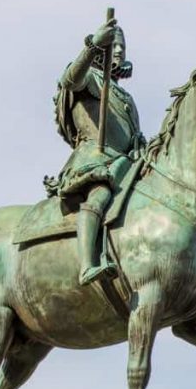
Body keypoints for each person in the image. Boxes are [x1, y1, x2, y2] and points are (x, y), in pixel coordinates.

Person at [51, 18, 145, 285]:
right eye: (114, 46)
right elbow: (70, 80)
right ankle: (86, 265)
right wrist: (93, 46)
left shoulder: (125, 97)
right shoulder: (89, 78)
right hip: (95, 159)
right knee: (100, 194)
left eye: (122, 48)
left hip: (124, 166)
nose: (119, 52)